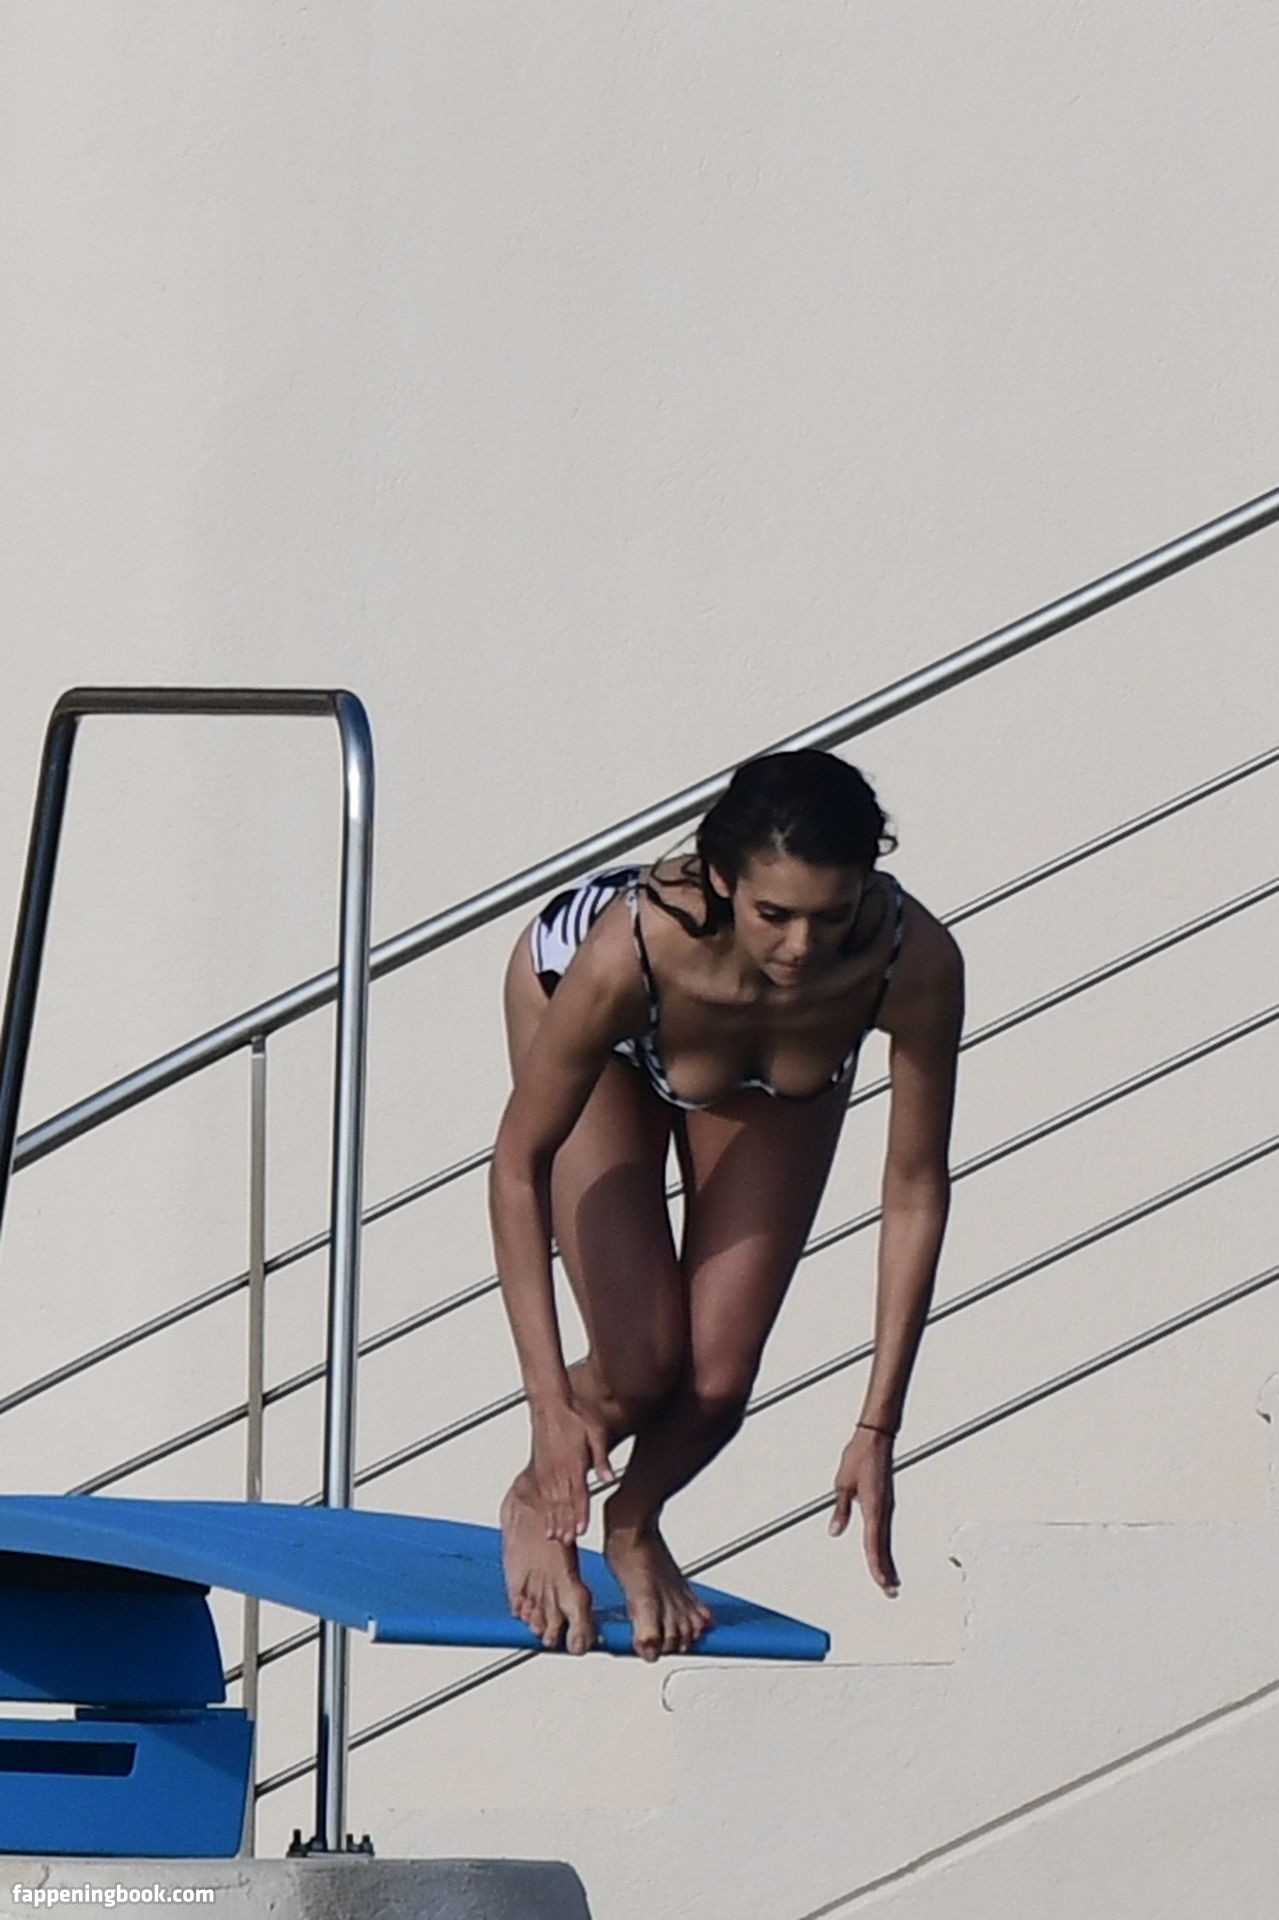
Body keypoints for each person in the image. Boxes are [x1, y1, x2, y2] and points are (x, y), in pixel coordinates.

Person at [489, 748, 963, 1661]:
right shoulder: (626, 947)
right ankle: (537, 1504)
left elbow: (913, 1189)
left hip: (778, 1063)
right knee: (640, 1363)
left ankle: (632, 1523)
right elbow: (517, 1164)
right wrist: (549, 1407)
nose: (801, 947)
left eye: (831, 915)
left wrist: (878, 1424)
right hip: (613, 1024)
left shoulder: (913, 962)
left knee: (713, 1387)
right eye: (773, 914)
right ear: (719, 879)